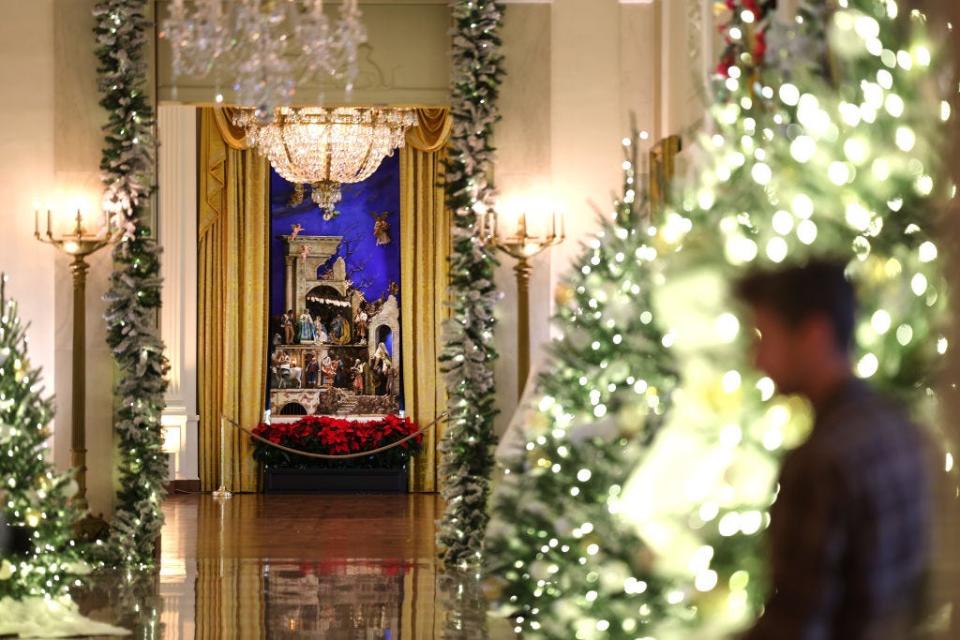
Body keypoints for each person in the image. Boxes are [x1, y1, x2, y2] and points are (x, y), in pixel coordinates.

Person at [735, 260, 930, 640]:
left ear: (814, 336)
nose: (755, 361)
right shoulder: (896, 424)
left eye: (763, 339)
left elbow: (794, 629)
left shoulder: (820, 462)